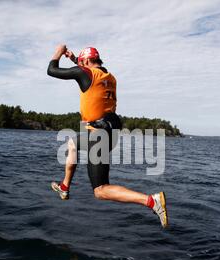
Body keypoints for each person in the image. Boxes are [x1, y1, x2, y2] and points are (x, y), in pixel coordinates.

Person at [47, 44, 168, 228]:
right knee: (72, 144)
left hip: (98, 136)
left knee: (101, 190)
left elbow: (52, 70)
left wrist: (60, 50)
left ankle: (151, 201)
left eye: (82, 62)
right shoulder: (110, 78)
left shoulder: (86, 74)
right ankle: (64, 187)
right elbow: (87, 73)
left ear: (86, 61)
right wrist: (74, 59)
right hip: (109, 134)